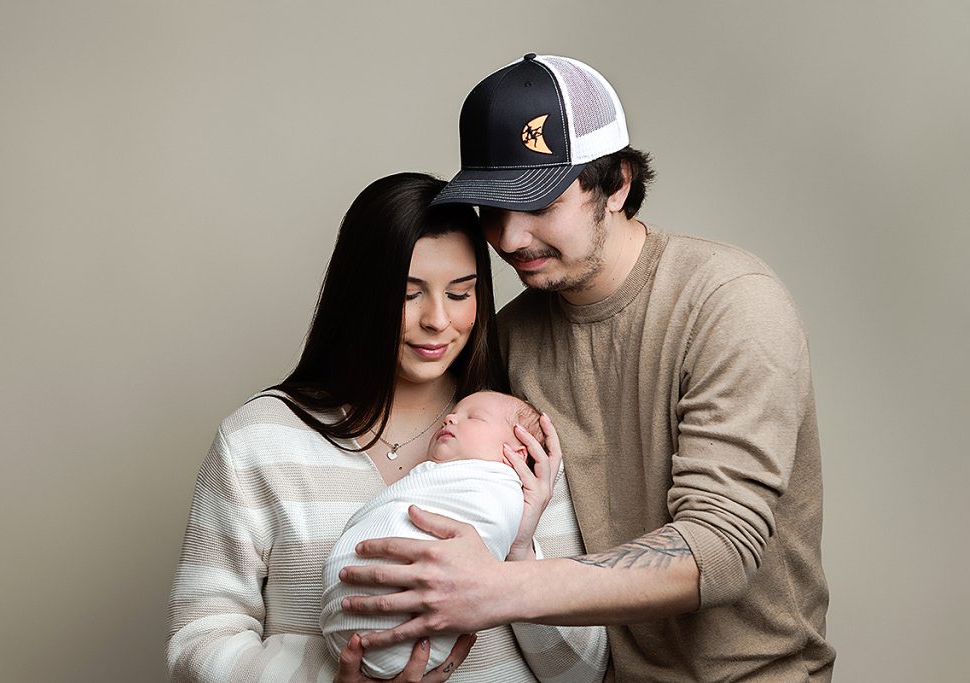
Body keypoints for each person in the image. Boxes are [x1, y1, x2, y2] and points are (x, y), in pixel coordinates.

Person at [338, 55, 837, 681]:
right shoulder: (511, 336)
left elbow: (722, 550)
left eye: (540, 202)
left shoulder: (731, 302)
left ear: (618, 183)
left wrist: (501, 587)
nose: (512, 239)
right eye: (492, 210)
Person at [165, 172, 608, 682]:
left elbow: (581, 673)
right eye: (408, 294)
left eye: (460, 294)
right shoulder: (259, 441)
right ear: (361, 297)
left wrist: (520, 552)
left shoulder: (514, 437)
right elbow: (198, 639)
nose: (437, 320)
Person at [322, 391, 547, 678]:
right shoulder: (433, 478)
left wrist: (520, 547)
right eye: (451, 414)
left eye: (473, 417)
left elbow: (584, 675)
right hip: (345, 628)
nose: (450, 417)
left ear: (517, 454)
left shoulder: (500, 489)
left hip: (412, 640)